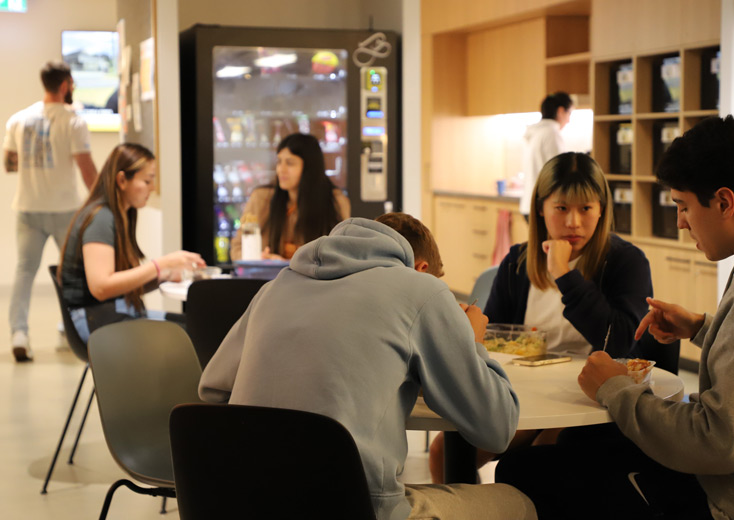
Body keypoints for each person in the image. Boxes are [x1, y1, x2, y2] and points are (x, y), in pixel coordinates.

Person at [496, 116, 734, 520]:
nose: (680, 221)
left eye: (683, 206)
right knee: (568, 452)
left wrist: (616, 389)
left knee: (525, 471)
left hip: (727, 500)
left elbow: (721, 443)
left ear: (725, 202)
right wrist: (704, 328)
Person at [199, 212, 537, 520]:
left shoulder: (275, 288)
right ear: (421, 269)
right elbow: (498, 427)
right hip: (353, 505)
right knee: (518, 502)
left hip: (241, 501)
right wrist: (473, 342)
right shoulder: (422, 290)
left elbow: (213, 388)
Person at [429, 151, 657, 482]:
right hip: (523, 394)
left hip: (591, 398)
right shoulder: (518, 262)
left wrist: (565, 275)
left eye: (586, 209)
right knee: (443, 453)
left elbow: (619, 339)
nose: (573, 222)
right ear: (541, 208)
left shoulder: (626, 261)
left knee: (536, 462)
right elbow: (490, 336)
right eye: (562, 208)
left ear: (602, 210)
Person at [58, 143, 205, 343]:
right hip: (97, 322)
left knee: (199, 328)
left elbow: (120, 286)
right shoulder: (101, 218)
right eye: (147, 180)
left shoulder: (119, 215)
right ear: (121, 180)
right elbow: (101, 287)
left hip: (111, 315)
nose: (152, 188)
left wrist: (164, 275)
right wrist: (161, 264)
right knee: (198, 335)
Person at [4, 61, 98, 362]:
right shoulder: (73, 122)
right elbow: (86, 171)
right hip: (64, 210)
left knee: (24, 270)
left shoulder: (18, 119)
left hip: (27, 208)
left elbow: (9, 163)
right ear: (65, 85)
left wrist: (35, 166)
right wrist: (102, 198)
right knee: (71, 273)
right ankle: (67, 330)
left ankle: (19, 333)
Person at [230, 132, 350, 261]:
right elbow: (237, 248)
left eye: (290, 163)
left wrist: (285, 265)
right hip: (267, 279)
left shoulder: (335, 201)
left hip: (313, 280)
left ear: (309, 167)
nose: (281, 169)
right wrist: (259, 259)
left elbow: (340, 257)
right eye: (279, 162)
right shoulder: (262, 197)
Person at [519, 91, 573, 221]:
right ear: (560, 111)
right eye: (569, 113)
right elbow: (559, 172)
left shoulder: (536, 133)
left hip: (529, 204)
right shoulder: (551, 133)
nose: (569, 120)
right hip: (543, 206)